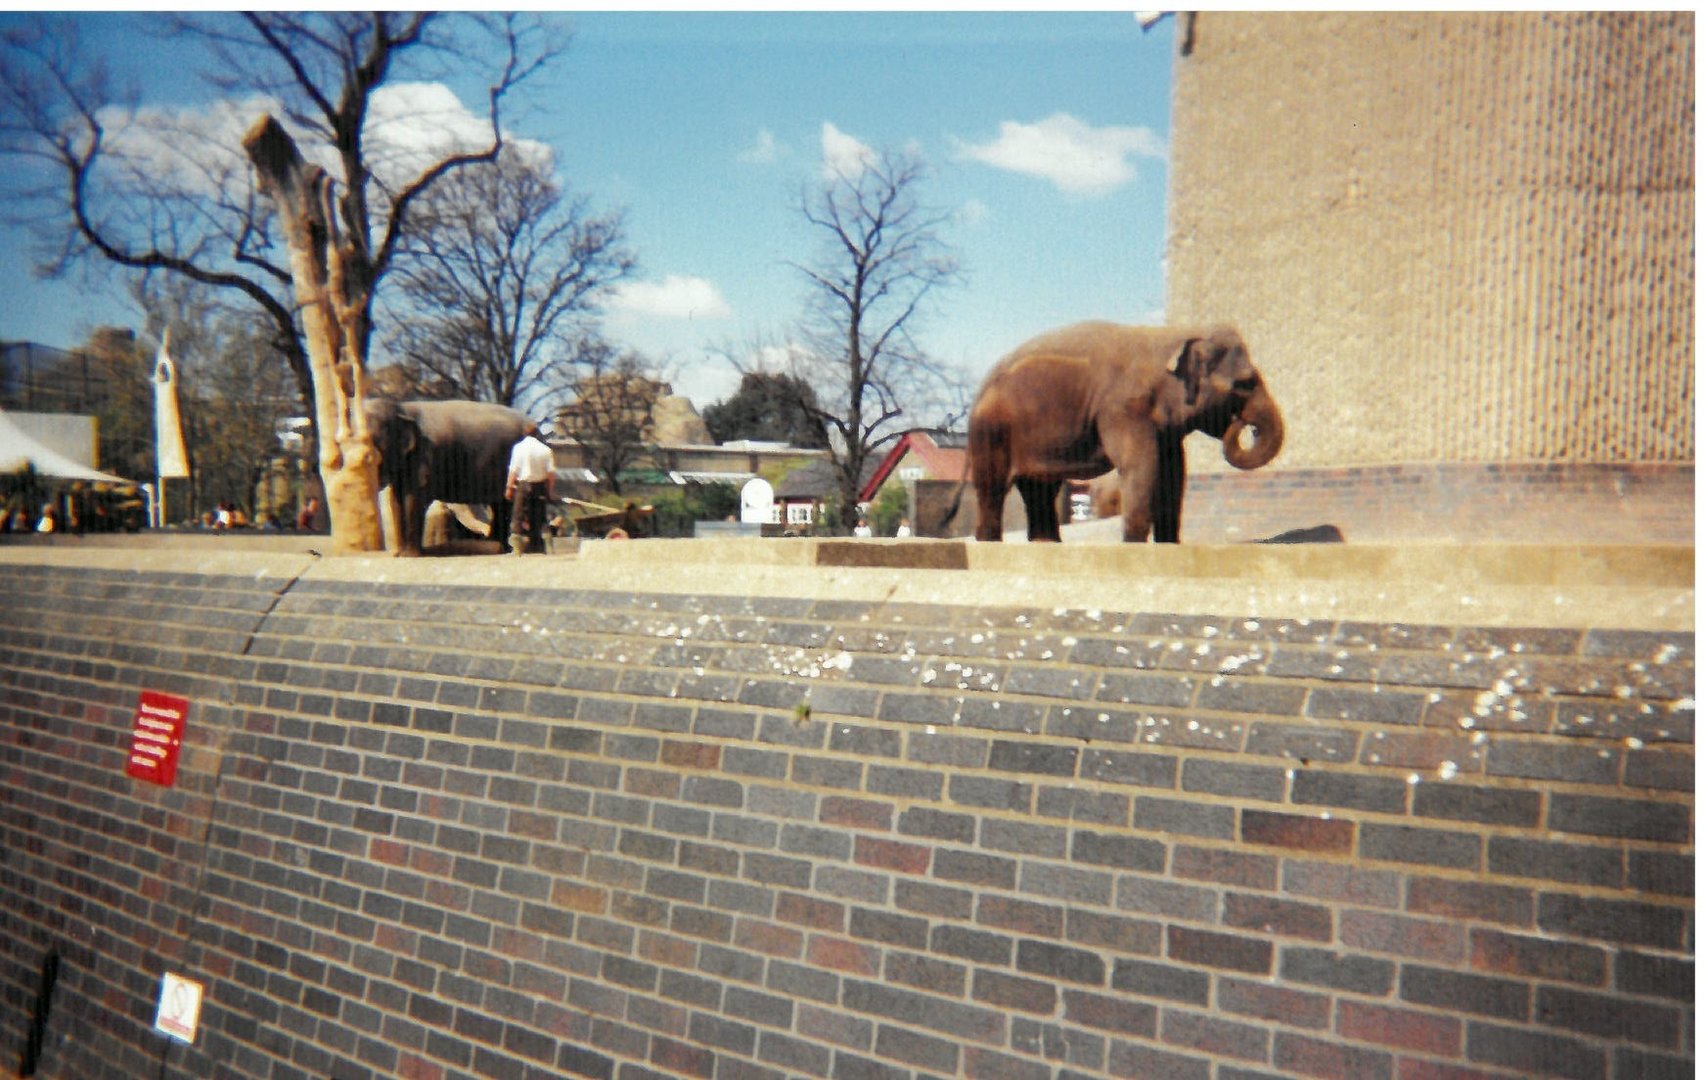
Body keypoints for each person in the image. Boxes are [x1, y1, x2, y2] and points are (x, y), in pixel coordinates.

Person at [505, 421, 555, 555]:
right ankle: (543, 547)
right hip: (540, 486)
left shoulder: (518, 448)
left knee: (518, 517)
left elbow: (513, 470)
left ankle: (517, 549)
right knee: (540, 517)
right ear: (537, 433)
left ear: (524, 433)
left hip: (523, 485)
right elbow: (551, 474)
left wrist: (509, 487)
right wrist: (550, 491)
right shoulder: (545, 450)